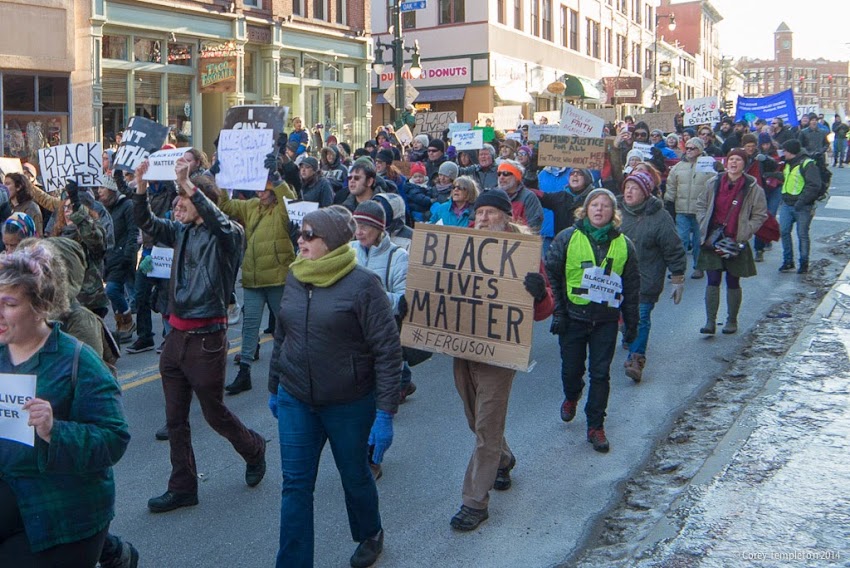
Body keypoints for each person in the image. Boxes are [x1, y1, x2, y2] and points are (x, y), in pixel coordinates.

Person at [268, 205, 402, 568]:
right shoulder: (295, 276)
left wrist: (385, 412)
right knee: (295, 485)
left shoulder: (363, 285)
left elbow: (387, 351)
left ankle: (370, 532)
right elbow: (283, 334)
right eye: (301, 233)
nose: (301, 240)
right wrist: (274, 385)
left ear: (333, 242)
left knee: (354, 473)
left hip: (349, 402)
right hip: (296, 397)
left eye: (310, 235)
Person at [133, 158, 267, 513]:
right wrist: (140, 187)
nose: (177, 206)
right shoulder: (181, 231)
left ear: (203, 202)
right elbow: (145, 222)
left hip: (206, 338)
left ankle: (254, 448)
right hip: (175, 337)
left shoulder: (229, 235)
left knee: (214, 413)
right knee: (175, 420)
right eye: (176, 200)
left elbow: (220, 222)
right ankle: (183, 487)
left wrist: (187, 182)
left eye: (184, 201)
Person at [0, 244, 130, 567]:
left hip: (65, 514)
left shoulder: (76, 360)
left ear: (40, 305)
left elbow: (114, 438)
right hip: (14, 497)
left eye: (9, 304)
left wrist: (55, 431)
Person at [449, 189, 554, 531]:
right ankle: (503, 459)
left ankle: (474, 502)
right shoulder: (460, 246)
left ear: (507, 217)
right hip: (464, 348)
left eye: (491, 213)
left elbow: (544, 310)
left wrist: (538, 292)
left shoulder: (524, 252)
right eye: (479, 214)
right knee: (472, 418)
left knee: (486, 426)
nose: (483, 219)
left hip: (500, 352)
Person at [545, 188, 640, 453]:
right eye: (594, 205)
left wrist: (632, 326)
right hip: (574, 318)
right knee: (572, 370)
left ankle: (595, 425)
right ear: (585, 210)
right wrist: (559, 312)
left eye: (605, 206)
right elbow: (552, 275)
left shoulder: (625, 245)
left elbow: (632, 287)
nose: (599, 209)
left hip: (606, 321)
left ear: (614, 213)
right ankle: (572, 396)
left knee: (601, 374)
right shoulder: (567, 238)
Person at [219, 154, 297, 395]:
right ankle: (244, 372)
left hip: (277, 277)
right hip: (253, 277)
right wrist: (221, 178)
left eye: (266, 187)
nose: (261, 191)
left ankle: (293, 368)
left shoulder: (282, 208)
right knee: (249, 326)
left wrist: (277, 178)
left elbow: (291, 204)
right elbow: (225, 206)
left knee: (285, 326)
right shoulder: (252, 206)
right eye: (259, 187)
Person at [350, 201, 411, 478]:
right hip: (349, 341)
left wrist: (368, 295)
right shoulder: (347, 251)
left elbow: (403, 302)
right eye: (355, 226)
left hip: (380, 341)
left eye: (364, 227)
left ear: (379, 229)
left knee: (376, 402)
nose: (359, 232)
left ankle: (372, 457)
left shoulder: (398, 257)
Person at [618, 172, 687, 383]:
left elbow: (673, 248)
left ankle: (636, 360)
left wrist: (677, 278)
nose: (629, 191)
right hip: (614, 277)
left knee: (641, 317)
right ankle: (628, 333)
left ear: (646, 192)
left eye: (635, 188)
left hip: (645, 278)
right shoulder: (616, 211)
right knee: (623, 319)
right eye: (627, 186)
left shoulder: (660, 217)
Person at [696, 148, 768, 335]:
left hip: (736, 240)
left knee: (733, 280)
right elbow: (701, 205)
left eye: (738, 160)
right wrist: (704, 223)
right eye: (731, 159)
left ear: (744, 164)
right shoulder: (713, 183)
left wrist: (746, 231)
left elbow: (760, 214)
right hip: (713, 239)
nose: (733, 163)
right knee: (712, 280)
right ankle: (710, 321)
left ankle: (731, 321)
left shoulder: (753, 187)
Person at [664, 137, 715, 279]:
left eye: (693, 148)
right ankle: (677, 269)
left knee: (699, 241)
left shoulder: (708, 165)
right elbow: (671, 185)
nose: (689, 151)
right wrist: (669, 201)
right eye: (687, 148)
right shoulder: (678, 167)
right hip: (682, 210)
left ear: (700, 150)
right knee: (681, 240)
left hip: (700, 211)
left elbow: (715, 185)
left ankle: (699, 267)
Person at [98, 175, 139, 343]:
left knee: (112, 290)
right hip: (107, 258)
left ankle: (128, 321)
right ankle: (123, 327)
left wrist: (128, 255)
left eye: (102, 188)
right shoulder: (102, 209)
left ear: (111, 189)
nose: (99, 191)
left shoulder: (127, 205)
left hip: (122, 257)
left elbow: (132, 231)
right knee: (116, 293)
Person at [777, 139, 821, 275]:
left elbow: (814, 185)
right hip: (787, 203)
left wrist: (801, 202)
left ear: (791, 151)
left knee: (802, 235)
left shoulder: (807, 164)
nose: (783, 153)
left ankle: (803, 263)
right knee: (784, 232)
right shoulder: (789, 163)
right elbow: (789, 179)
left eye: (785, 151)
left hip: (802, 206)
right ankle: (788, 261)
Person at [495, 160, 544, 233]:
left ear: (516, 177)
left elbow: (534, 227)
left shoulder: (528, 197)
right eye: (499, 174)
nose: (501, 177)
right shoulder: (493, 195)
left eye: (506, 173)